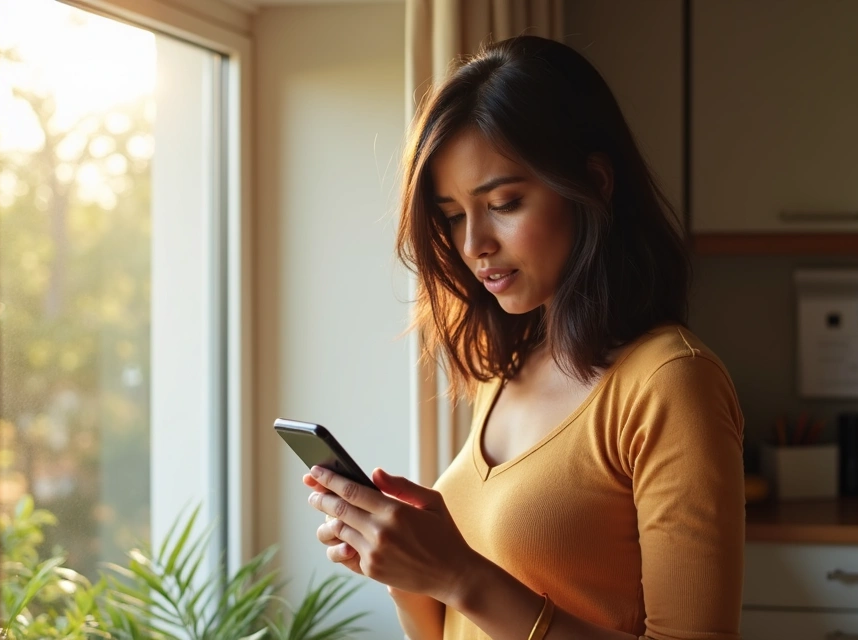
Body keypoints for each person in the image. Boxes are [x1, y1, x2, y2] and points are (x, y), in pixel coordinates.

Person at [301, 35, 745, 640]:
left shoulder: (671, 382)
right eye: (454, 214)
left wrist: (460, 575)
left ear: (593, 184)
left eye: (504, 202)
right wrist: (410, 570)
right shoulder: (506, 366)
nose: (472, 244)